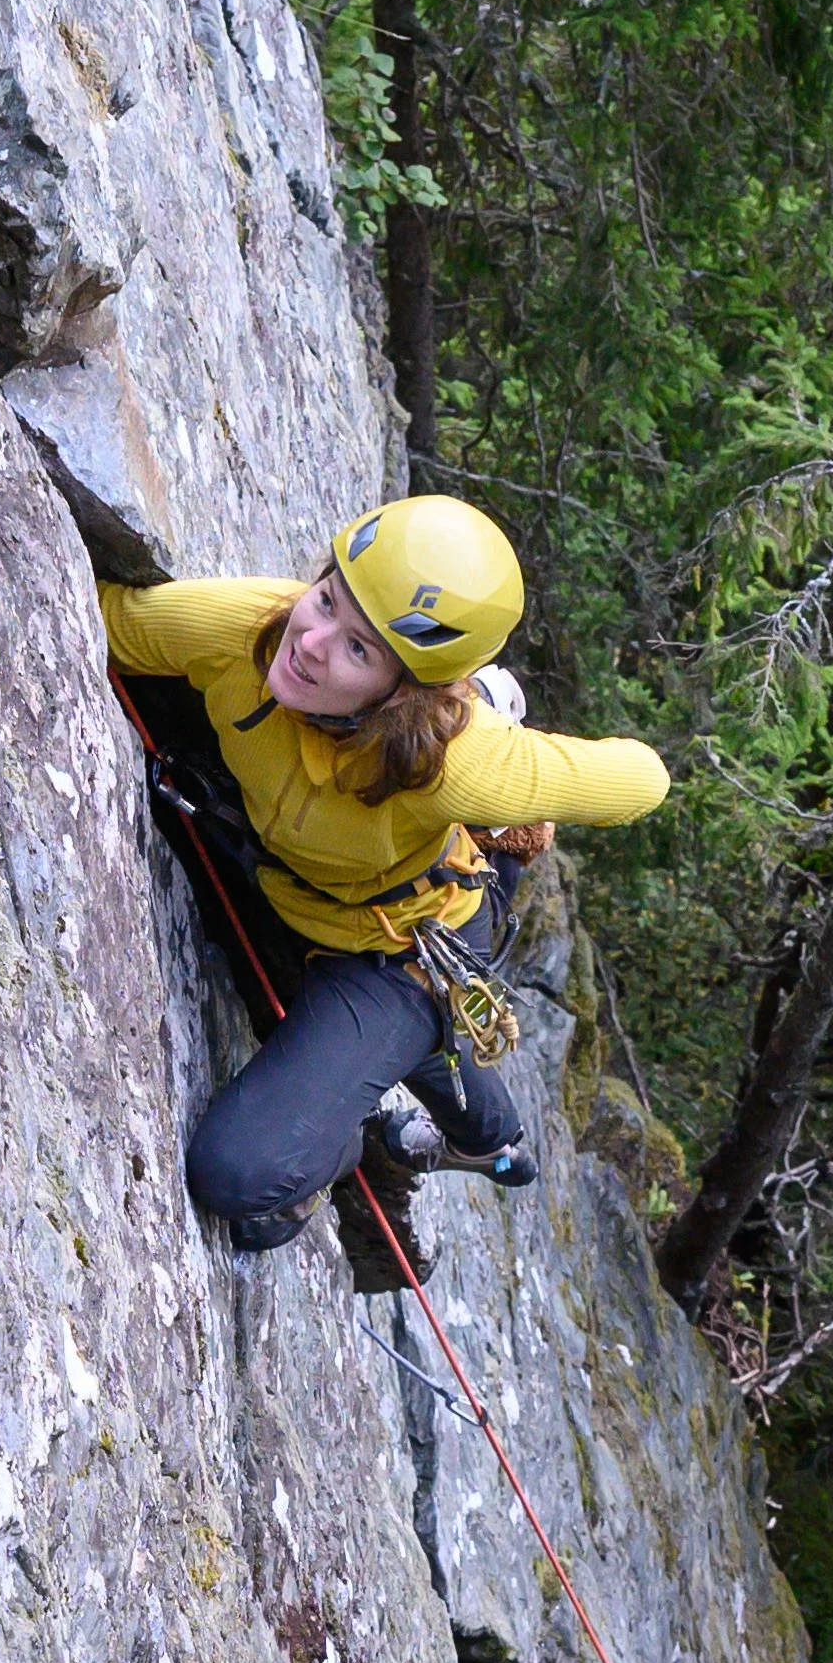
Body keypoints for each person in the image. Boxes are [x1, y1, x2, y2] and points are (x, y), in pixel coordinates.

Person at [99, 495, 670, 1251]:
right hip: (298, 895)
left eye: (361, 650)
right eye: (328, 598)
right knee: (419, 1053)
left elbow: (645, 778)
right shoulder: (245, 629)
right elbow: (104, 614)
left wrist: (499, 747)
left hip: (406, 953)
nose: (310, 641)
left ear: (407, 694)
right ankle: (491, 1140)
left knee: (238, 1177)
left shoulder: (453, 763)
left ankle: (355, 1147)